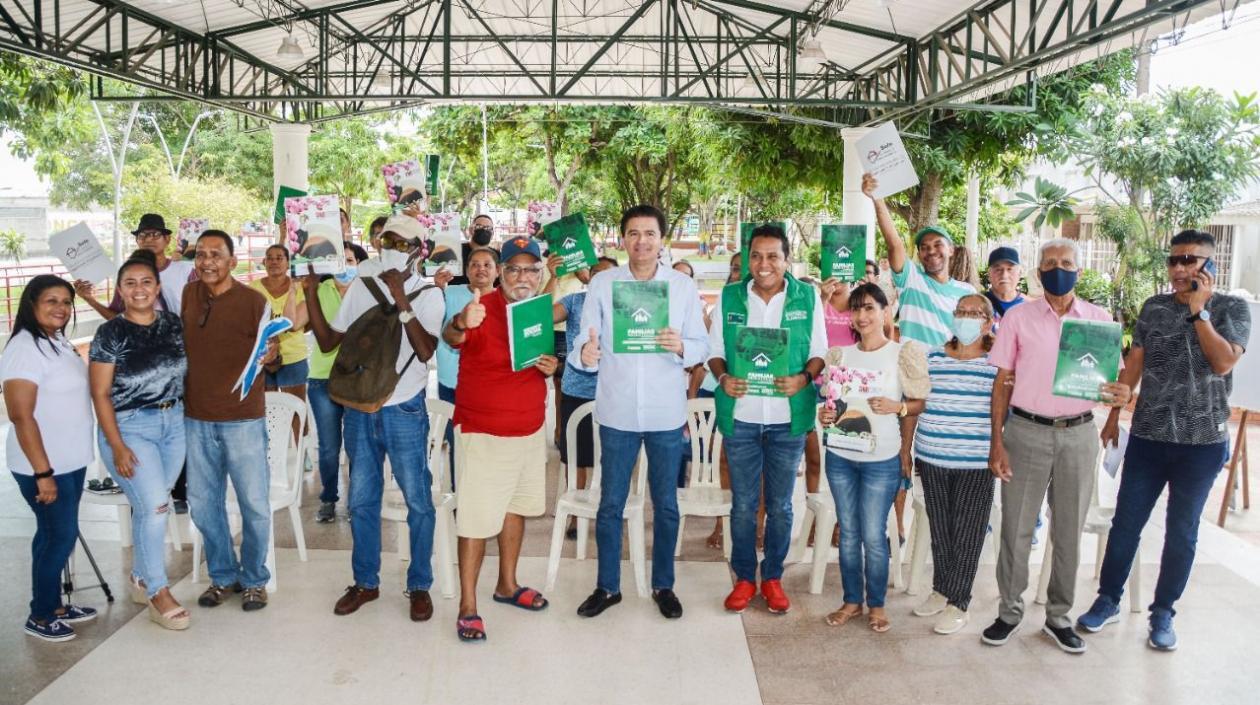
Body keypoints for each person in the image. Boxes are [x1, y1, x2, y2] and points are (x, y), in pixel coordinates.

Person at [1077, 229, 1251, 650]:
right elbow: (1133, 366)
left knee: (1182, 532)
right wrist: (1115, 412)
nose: (1178, 268)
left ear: (1211, 265)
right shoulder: (1153, 308)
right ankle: (1107, 600)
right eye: (1173, 260)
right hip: (1149, 437)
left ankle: (1163, 612)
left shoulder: (1232, 308)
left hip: (1202, 444)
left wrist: (1198, 312)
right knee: (1126, 524)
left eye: (1190, 260)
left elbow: (1224, 363)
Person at [983, 238, 1132, 654]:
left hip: (1079, 434)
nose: (1058, 268)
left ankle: (1058, 617)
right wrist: (997, 441)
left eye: (1066, 262)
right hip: (1025, 432)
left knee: (1068, 529)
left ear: (1079, 271)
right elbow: (1001, 384)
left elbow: (1109, 386)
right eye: (1049, 263)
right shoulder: (1019, 319)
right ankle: (1009, 612)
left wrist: (1118, 397)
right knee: (1016, 527)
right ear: (1038, 271)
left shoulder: (1099, 321)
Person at [571, 204, 709, 619]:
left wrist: (682, 346)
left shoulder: (681, 288)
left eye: (649, 233)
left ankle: (663, 584)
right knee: (610, 503)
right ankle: (607, 586)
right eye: (633, 233)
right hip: (617, 412)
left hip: (667, 413)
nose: (641, 241)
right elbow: (582, 343)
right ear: (622, 239)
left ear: (661, 239)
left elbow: (703, 345)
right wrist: (587, 352)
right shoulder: (603, 284)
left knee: (665, 504)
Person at [306, 215, 445, 623]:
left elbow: (425, 352)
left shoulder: (429, 295)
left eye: (402, 244)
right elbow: (330, 341)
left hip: (403, 408)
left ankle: (419, 584)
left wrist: (402, 297)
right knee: (362, 500)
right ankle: (365, 581)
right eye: (386, 240)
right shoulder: (362, 287)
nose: (391, 248)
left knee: (418, 499)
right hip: (360, 409)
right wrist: (311, 293)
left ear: (419, 251)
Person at [442, 237, 559, 641]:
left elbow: (540, 360)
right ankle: (468, 606)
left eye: (530, 270)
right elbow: (450, 338)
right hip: (483, 433)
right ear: (500, 273)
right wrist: (460, 323)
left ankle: (507, 585)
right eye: (513, 269)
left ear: (539, 274)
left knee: (516, 509)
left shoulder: (538, 312)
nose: (522, 277)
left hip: (528, 432)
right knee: (475, 521)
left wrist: (551, 365)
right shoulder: (480, 308)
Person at [708, 225, 827, 615]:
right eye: (757, 256)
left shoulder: (806, 297)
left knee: (779, 505)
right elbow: (715, 351)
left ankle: (772, 576)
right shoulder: (729, 296)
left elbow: (820, 352)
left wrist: (803, 378)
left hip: (786, 419)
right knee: (742, 505)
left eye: (773, 256)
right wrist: (724, 377)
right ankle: (744, 577)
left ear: (787, 259)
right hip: (741, 416)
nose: (764, 264)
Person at [817, 283, 928, 633]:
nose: (862, 316)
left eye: (869, 308)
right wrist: (826, 415)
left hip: (881, 458)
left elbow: (921, 402)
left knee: (873, 533)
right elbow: (831, 405)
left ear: (885, 311)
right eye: (856, 309)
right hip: (840, 456)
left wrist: (900, 406)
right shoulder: (839, 356)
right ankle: (852, 600)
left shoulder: (902, 353)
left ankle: (877, 604)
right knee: (848, 533)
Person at [88, 250, 190, 630]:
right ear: (119, 290)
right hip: (130, 428)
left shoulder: (173, 325)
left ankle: (139, 576)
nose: (139, 289)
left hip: (174, 423)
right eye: (129, 283)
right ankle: (157, 591)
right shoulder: (111, 332)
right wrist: (116, 446)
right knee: (156, 507)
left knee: (154, 506)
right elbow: (99, 393)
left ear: (158, 287)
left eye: (146, 281)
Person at [182, 230, 278, 612]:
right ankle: (222, 576)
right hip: (196, 418)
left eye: (216, 254)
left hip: (242, 419)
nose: (207, 261)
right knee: (204, 504)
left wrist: (271, 355)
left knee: (254, 504)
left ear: (232, 261)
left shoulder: (255, 302)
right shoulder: (190, 296)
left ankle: (254, 578)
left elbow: (274, 356)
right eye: (201, 254)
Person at [2, 275, 98, 642]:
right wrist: (43, 473)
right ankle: (40, 615)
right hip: (43, 465)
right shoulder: (24, 348)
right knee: (60, 536)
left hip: (70, 459)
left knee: (52, 534)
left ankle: (54, 604)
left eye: (65, 301)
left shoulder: (56, 341)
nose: (60, 308)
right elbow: (20, 415)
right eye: (50, 301)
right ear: (31, 304)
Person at [911, 294, 998, 635]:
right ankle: (941, 588)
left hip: (976, 461)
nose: (966, 318)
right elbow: (916, 402)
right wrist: (908, 450)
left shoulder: (997, 362)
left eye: (975, 313)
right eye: (961, 312)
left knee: (967, 531)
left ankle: (958, 602)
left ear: (989, 322)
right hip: (932, 456)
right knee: (940, 528)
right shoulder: (932, 356)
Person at [862, 174, 975, 348]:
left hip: (949, 371)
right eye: (924, 247)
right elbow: (894, 244)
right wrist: (878, 200)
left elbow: (972, 337)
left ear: (951, 250)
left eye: (938, 244)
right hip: (913, 370)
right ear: (919, 254)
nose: (931, 250)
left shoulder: (967, 292)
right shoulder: (911, 278)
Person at [553, 256, 618, 539]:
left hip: (615, 394)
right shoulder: (574, 302)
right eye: (596, 273)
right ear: (588, 277)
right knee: (575, 459)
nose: (601, 279)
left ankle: (610, 512)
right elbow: (540, 316)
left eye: (609, 274)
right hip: (576, 391)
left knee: (615, 458)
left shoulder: (628, 305)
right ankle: (577, 517)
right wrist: (552, 278)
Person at [306, 243, 370, 523]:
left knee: (358, 444)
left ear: (359, 263)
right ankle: (329, 498)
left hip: (357, 379)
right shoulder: (319, 291)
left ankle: (357, 500)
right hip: (323, 380)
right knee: (330, 447)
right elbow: (294, 320)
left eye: (350, 260)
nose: (344, 267)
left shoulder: (369, 293)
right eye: (338, 261)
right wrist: (302, 286)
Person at [75, 213, 198, 320]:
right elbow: (117, 318)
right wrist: (89, 299)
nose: (149, 239)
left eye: (155, 234)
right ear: (137, 241)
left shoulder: (186, 271)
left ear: (167, 239)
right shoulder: (128, 277)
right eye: (142, 235)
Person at [250, 245, 310, 401]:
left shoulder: (299, 287)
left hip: (293, 358)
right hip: (262, 358)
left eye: (279, 258)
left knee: (296, 413)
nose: (274, 262)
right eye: (269, 258)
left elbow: (293, 323)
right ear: (264, 262)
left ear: (288, 263)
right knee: (267, 413)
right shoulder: (253, 289)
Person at [449, 213, 496, 287]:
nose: (483, 230)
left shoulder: (497, 255)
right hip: (457, 296)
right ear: (470, 230)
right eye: (479, 226)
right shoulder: (454, 252)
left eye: (488, 228)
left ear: (493, 233)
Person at [984, 246, 1026, 320]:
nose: (1004, 275)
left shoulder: (1029, 307)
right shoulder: (978, 305)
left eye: (1010, 269)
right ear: (989, 275)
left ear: (1019, 274)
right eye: (998, 269)